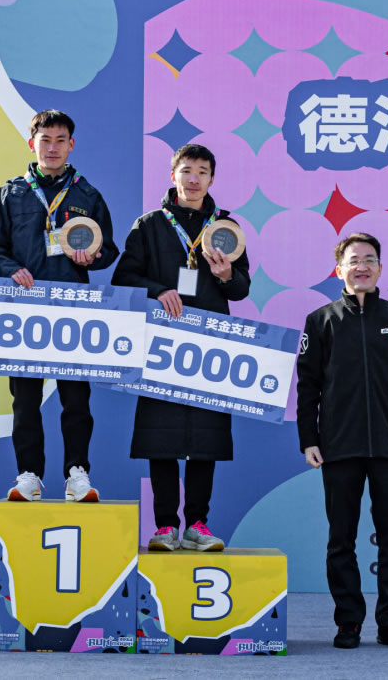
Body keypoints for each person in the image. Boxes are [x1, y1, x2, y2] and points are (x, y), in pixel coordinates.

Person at [295, 233, 388, 650]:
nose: (362, 267)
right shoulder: (321, 321)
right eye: (354, 260)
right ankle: (348, 622)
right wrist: (309, 439)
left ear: (380, 269)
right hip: (339, 447)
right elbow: (308, 386)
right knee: (341, 540)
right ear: (339, 269)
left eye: (370, 260)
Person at [112, 143, 250, 552]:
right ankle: (165, 526)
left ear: (212, 178)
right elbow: (123, 277)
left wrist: (225, 276)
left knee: (206, 437)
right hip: (163, 343)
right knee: (163, 437)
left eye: (202, 172)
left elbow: (242, 289)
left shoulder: (226, 227)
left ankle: (198, 524)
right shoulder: (150, 225)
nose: (194, 179)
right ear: (173, 175)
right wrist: (158, 290)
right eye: (187, 170)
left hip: (209, 344)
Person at [0, 109, 119, 502]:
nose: (52, 148)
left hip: (73, 310)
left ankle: (77, 474)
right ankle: (29, 475)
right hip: (25, 310)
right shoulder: (11, 193)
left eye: (60, 141)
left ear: (71, 145)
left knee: (77, 400)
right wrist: (11, 269)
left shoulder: (87, 195)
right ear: (32, 144)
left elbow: (108, 249)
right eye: (45, 140)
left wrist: (94, 256)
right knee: (25, 400)